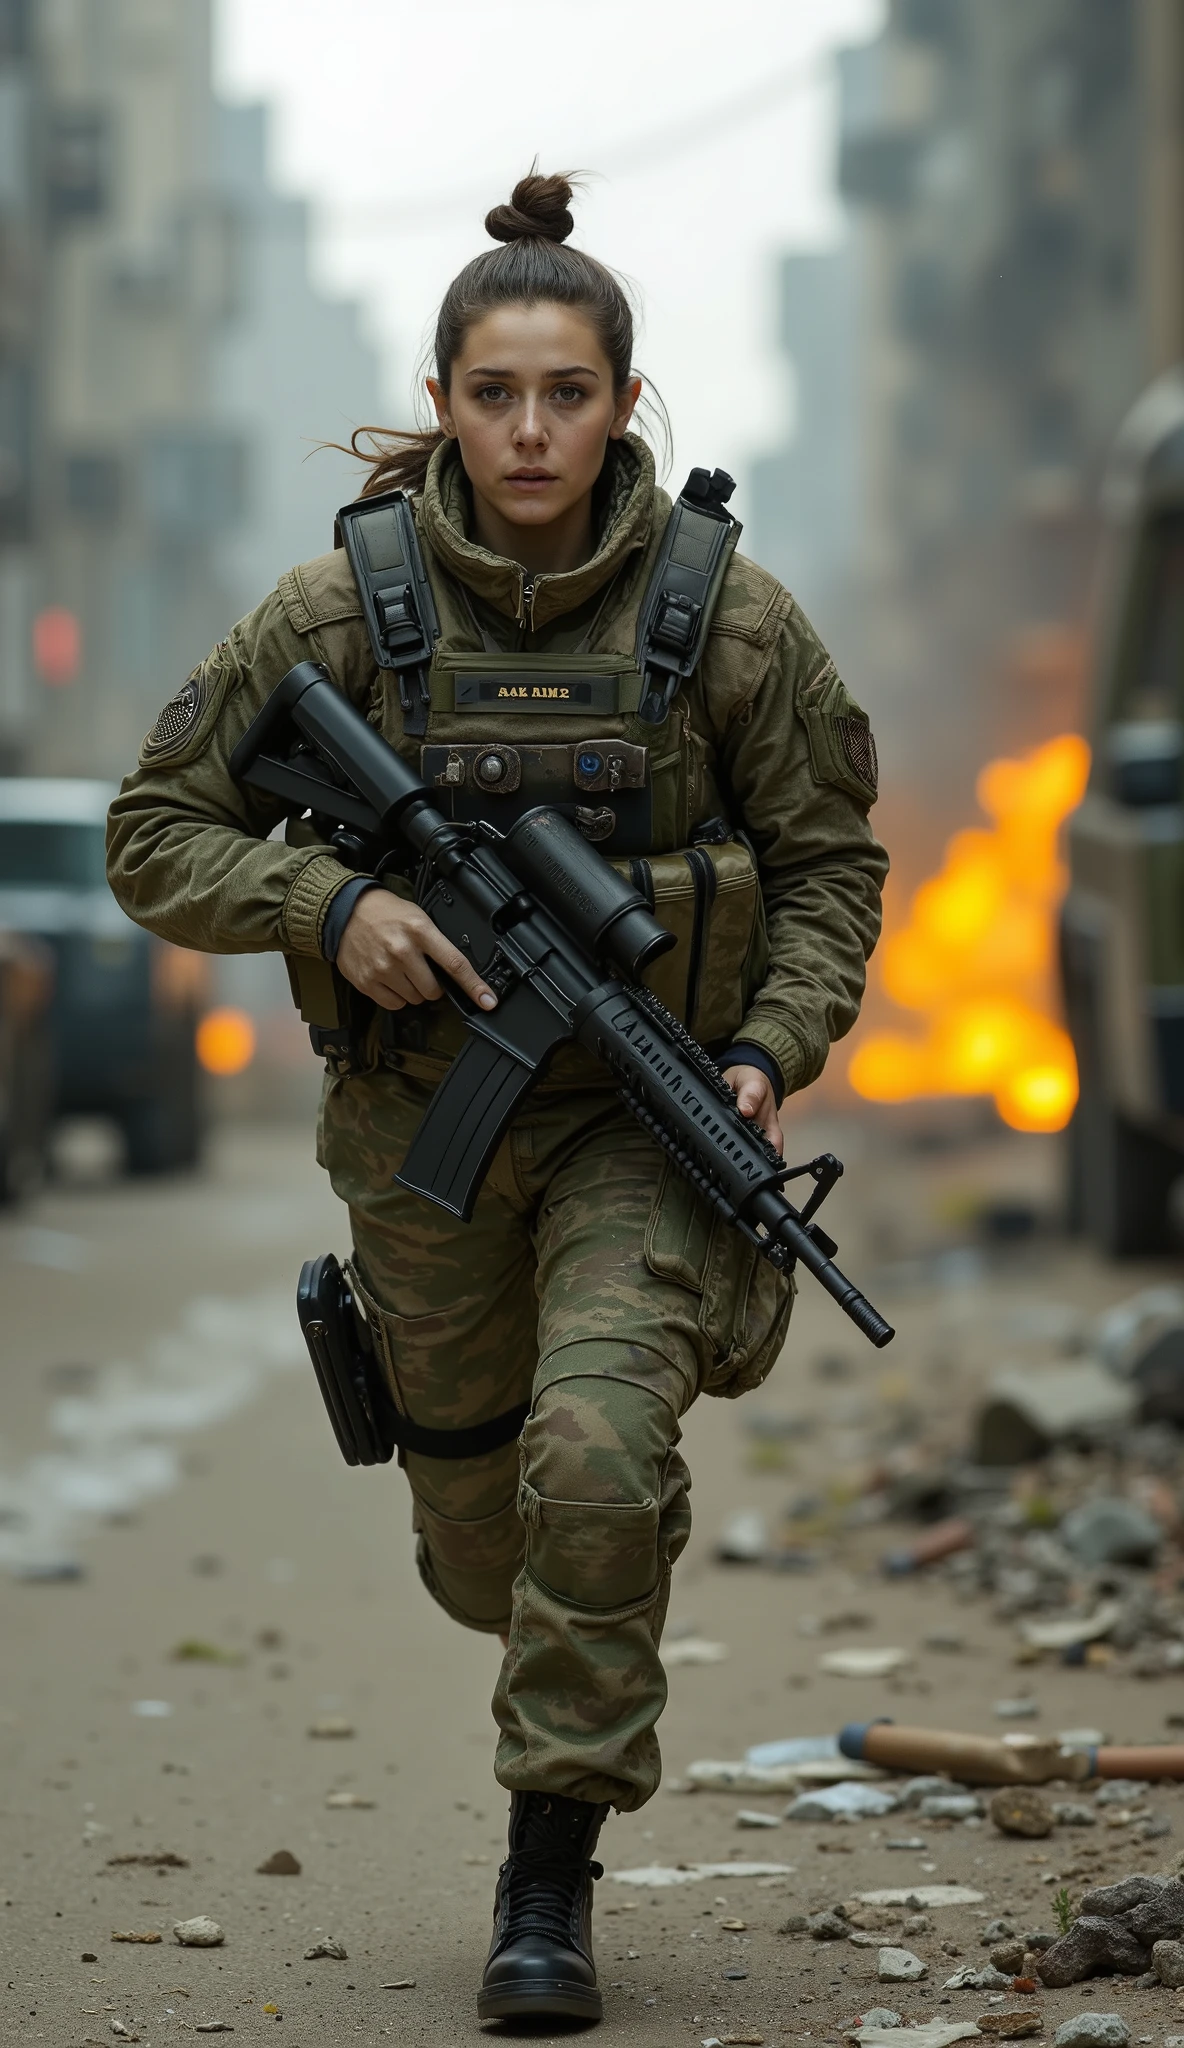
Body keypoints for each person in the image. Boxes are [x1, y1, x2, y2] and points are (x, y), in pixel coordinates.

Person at [106, 171, 887, 2025]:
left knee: (599, 1468)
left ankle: (547, 1887)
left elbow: (833, 868)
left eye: (566, 393)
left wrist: (769, 1049)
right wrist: (335, 900)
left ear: (625, 403)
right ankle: (508, 1567)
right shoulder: (338, 612)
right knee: (488, 1556)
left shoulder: (728, 622)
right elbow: (156, 835)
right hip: (423, 1146)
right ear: (442, 400)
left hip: (647, 1118)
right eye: (493, 394)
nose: (530, 430)